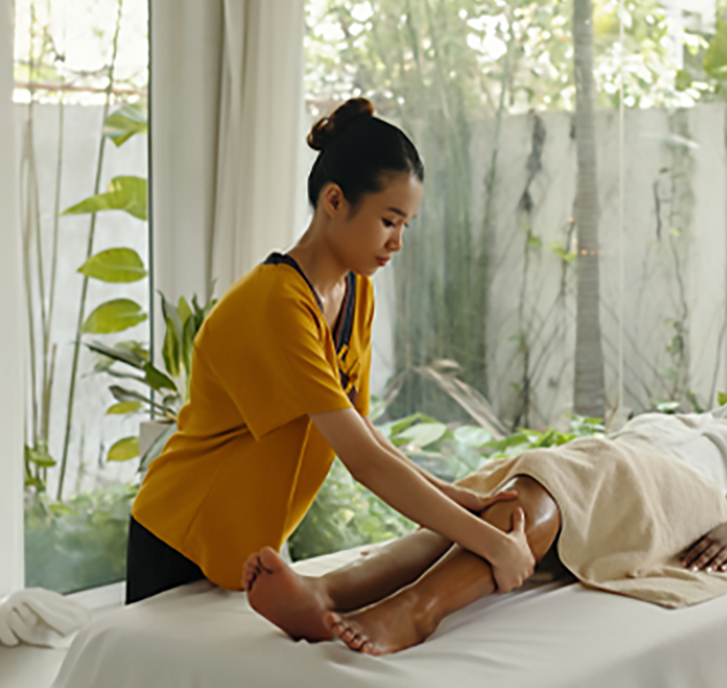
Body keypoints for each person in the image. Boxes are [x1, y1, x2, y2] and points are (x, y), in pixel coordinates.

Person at [127, 98, 526, 605]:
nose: (398, 242)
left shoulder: (358, 293)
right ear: (334, 201)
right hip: (178, 535)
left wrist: (462, 500)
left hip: (239, 548)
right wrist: (492, 544)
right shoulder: (276, 303)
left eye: (407, 225)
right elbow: (362, 462)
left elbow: (366, 437)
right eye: (389, 220)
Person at [244, 385, 727, 655]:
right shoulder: (677, 421)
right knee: (497, 501)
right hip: (613, 478)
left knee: (565, 475)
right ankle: (328, 592)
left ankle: (415, 611)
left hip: (674, 497)